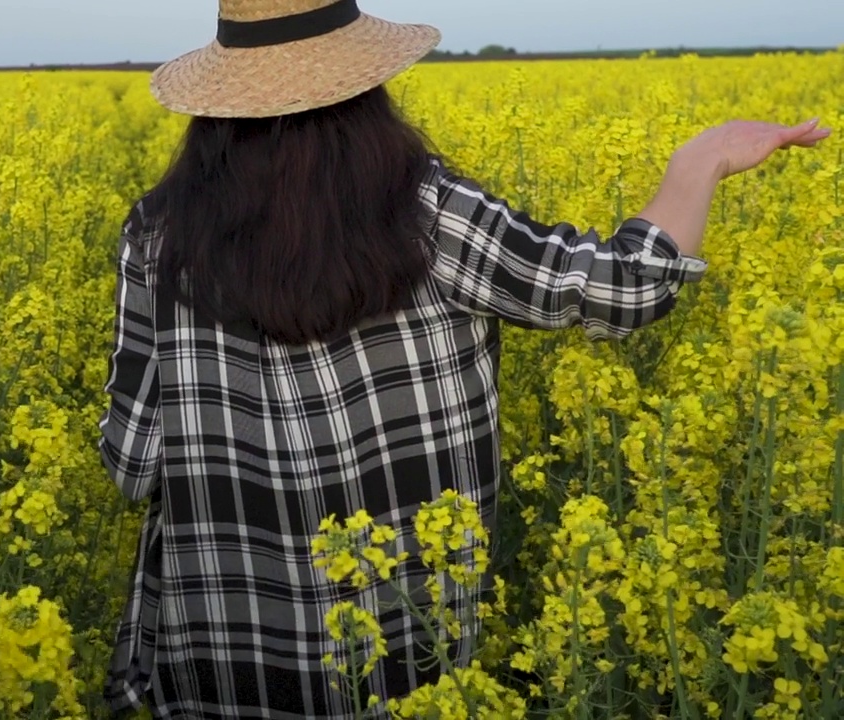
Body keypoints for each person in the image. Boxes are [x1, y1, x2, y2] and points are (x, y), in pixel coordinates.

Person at [96, 1, 832, 718]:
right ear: (364, 90)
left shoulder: (156, 236)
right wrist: (700, 161)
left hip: (228, 644)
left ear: (214, 112)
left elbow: (132, 461)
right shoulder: (427, 211)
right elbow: (619, 288)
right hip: (407, 646)